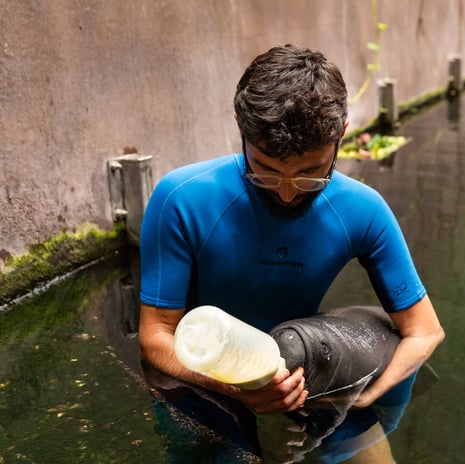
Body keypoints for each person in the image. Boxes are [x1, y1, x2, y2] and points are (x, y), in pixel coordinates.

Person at [138, 44, 445, 459]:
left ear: (341, 136)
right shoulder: (181, 198)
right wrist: (239, 389)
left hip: (308, 373)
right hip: (202, 380)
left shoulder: (363, 209)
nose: (285, 192)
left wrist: (366, 397)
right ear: (240, 129)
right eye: (265, 171)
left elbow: (425, 330)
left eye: (309, 175)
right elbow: (156, 336)